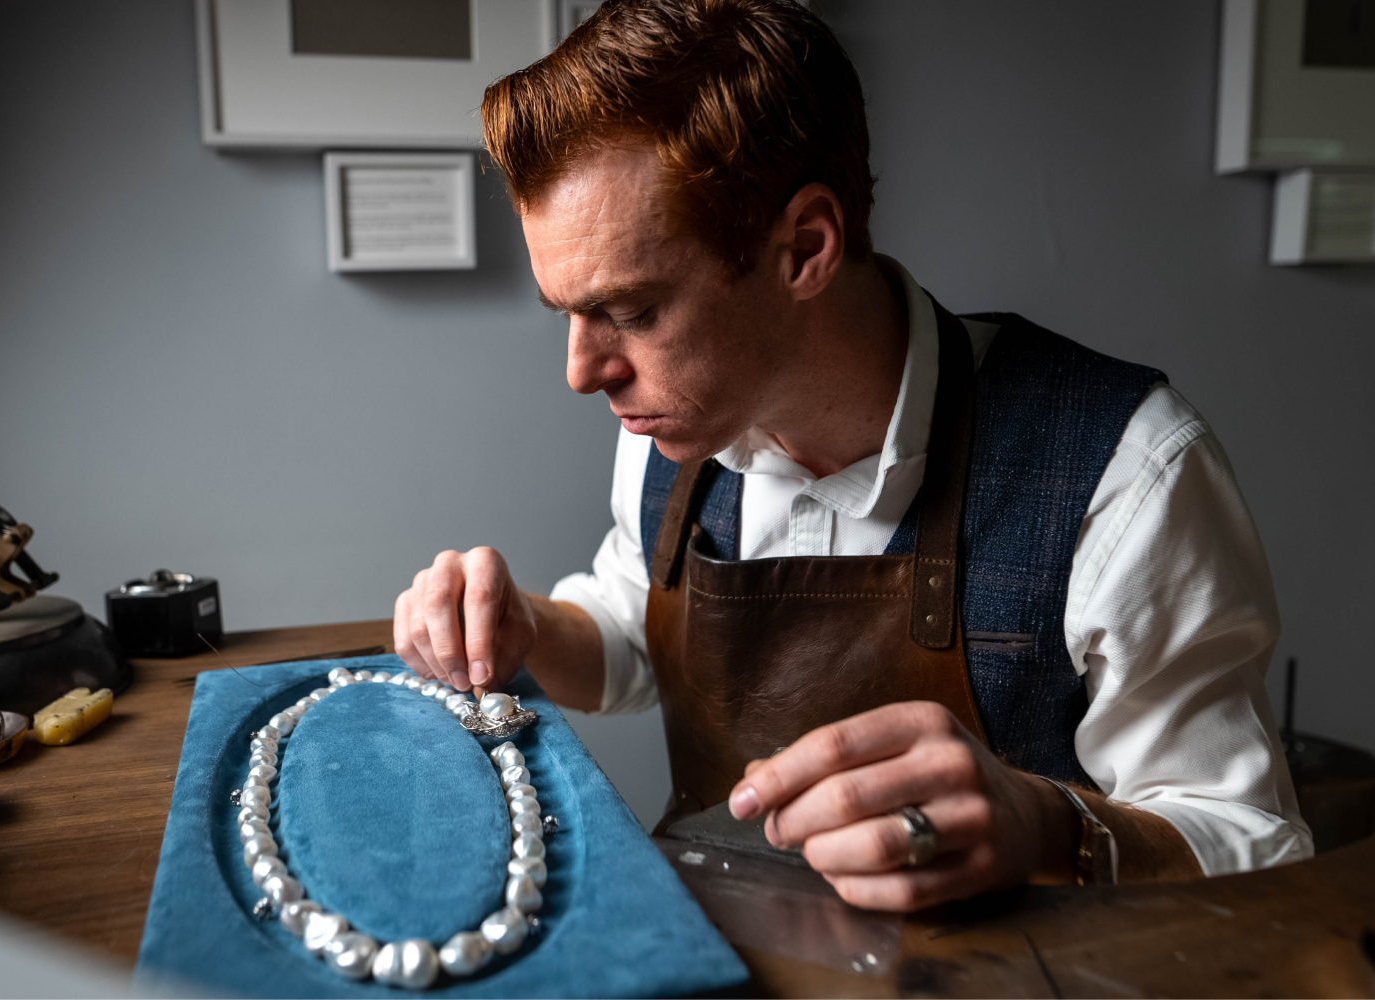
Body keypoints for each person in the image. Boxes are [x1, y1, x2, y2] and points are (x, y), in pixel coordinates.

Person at [392, 0, 1310, 911]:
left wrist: (1046, 826)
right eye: (570, 313)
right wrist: (523, 629)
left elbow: (1259, 844)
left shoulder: (1126, 471)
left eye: (630, 312)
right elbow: (633, 634)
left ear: (806, 247)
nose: (583, 372)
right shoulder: (676, 423)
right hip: (712, 961)